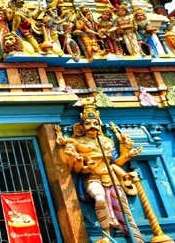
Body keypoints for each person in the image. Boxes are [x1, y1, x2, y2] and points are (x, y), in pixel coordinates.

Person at [59, 103, 142, 243]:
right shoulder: (78, 142)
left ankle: (136, 238)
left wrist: (128, 154)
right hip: (92, 177)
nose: (92, 126)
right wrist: (79, 160)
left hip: (112, 178)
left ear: (99, 125)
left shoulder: (107, 141)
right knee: (100, 198)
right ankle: (106, 234)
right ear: (81, 126)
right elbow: (77, 169)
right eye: (88, 123)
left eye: (95, 123)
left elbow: (115, 162)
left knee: (123, 209)